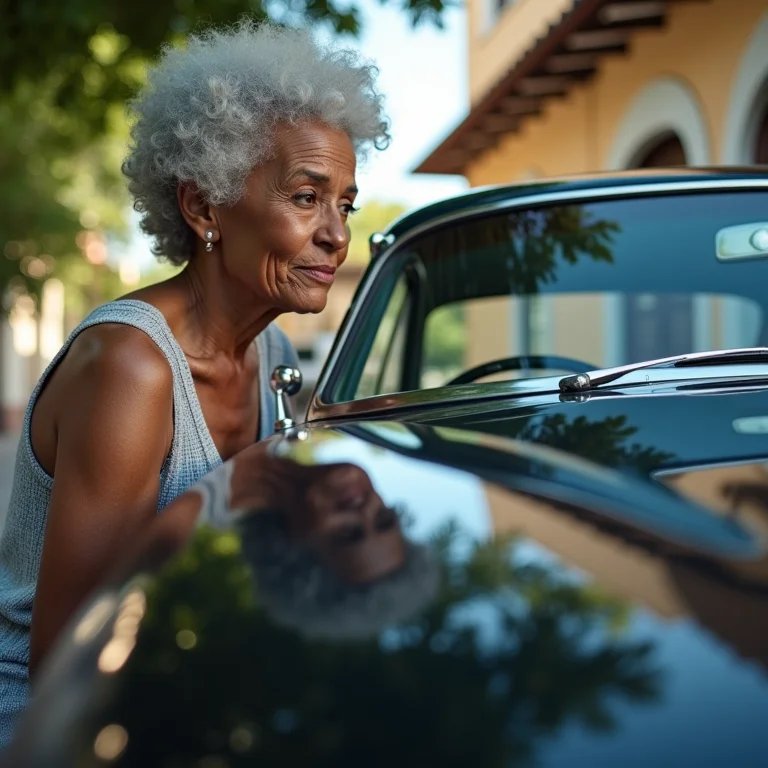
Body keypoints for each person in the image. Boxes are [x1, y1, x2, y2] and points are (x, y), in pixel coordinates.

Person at [0, 20, 389, 748]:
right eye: (307, 197)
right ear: (203, 207)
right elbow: (70, 665)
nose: (337, 234)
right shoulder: (132, 367)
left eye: (345, 204)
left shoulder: (269, 347)